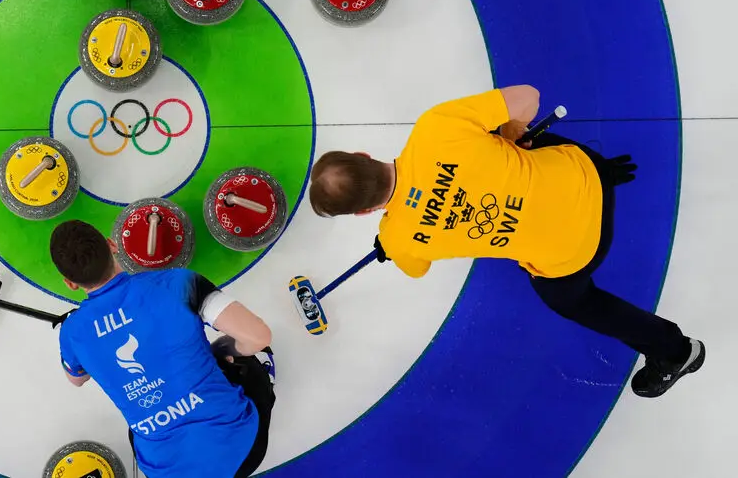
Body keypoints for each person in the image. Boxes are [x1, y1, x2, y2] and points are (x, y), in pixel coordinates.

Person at [306, 85, 704, 398]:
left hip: (580, 252)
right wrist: (508, 130)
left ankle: (675, 351)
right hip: (588, 172)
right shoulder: (435, 127)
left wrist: (390, 240)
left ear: (361, 213)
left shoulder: (401, 239)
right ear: (363, 153)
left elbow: (416, 268)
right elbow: (528, 97)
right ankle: (605, 174)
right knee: (513, 142)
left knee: (568, 300)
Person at [51, 219, 276, 477]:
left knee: (138, 429)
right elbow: (259, 337)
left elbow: (76, 379)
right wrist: (220, 349)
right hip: (244, 450)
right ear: (112, 245)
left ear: (70, 282)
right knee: (248, 359)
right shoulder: (178, 283)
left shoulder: (72, 332)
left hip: (165, 471)